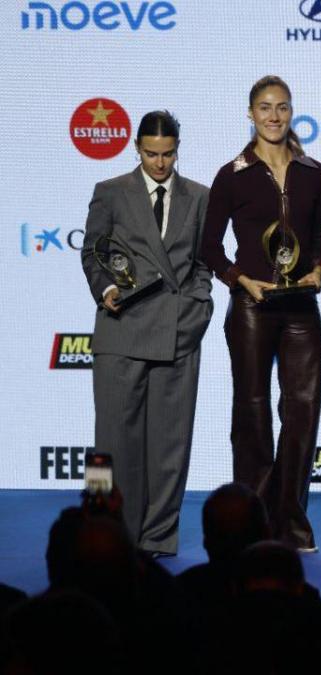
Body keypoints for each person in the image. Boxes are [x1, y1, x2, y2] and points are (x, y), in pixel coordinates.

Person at [201, 75, 321, 551]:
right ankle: (253, 520)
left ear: (292, 112)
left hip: (301, 307)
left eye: (282, 107)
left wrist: (319, 268)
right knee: (252, 411)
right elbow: (209, 246)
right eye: (265, 108)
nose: (274, 117)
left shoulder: (313, 171)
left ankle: (290, 518)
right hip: (252, 305)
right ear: (250, 114)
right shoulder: (232, 174)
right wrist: (240, 280)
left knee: (303, 410)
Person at [80, 110, 211, 557]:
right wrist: (107, 289)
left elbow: (202, 266)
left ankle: (158, 537)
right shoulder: (110, 192)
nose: (159, 162)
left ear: (177, 150)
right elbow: (93, 252)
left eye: (168, 154)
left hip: (177, 332)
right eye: (151, 153)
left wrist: (196, 311)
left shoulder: (199, 197)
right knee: (109, 446)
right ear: (136, 147)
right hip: (121, 331)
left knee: (169, 447)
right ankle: (104, 532)